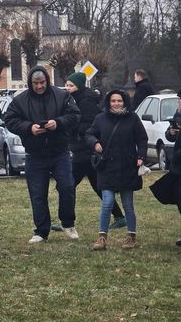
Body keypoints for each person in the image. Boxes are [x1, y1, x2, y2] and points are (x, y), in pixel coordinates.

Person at [5, 66, 81, 244]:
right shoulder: (20, 100)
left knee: (67, 187)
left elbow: (75, 115)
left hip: (60, 151)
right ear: (30, 83)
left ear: (47, 80)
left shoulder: (62, 96)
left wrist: (58, 123)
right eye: (36, 83)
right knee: (38, 193)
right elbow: (10, 120)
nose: (39, 86)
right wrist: (28, 128)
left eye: (42, 82)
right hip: (35, 153)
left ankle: (68, 223)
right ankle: (41, 231)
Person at [86, 90, 148, 250]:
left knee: (128, 205)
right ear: (108, 102)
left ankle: (131, 237)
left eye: (119, 101)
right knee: (107, 203)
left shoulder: (133, 118)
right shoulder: (100, 118)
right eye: (113, 101)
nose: (116, 104)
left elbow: (142, 138)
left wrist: (141, 156)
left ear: (125, 102)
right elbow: (89, 134)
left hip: (128, 167)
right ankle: (102, 238)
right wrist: (94, 143)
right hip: (107, 167)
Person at [65, 72, 126, 230]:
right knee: (97, 186)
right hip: (82, 149)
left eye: (71, 85)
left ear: (79, 86)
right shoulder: (75, 99)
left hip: (86, 150)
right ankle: (119, 216)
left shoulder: (85, 101)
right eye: (67, 85)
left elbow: (91, 124)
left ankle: (67, 222)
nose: (68, 88)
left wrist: (73, 128)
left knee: (67, 185)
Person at [149, 90, 181, 247]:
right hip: (178, 166)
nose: (179, 103)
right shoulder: (178, 114)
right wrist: (171, 132)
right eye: (179, 100)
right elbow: (170, 136)